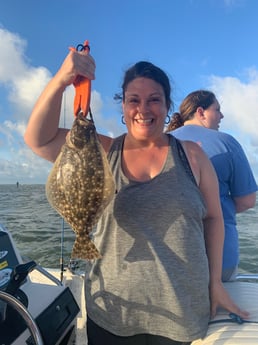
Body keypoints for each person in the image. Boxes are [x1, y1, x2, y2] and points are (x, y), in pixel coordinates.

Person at [24, 50, 249, 345]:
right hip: (112, 312)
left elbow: (214, 218)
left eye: (154, 99)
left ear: (168, 105)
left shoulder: (192, 155)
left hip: (181, 311)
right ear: (124, 104)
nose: (143, 109)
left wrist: (216, 282)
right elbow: (38, 140)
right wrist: (61, 81)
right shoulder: (102, 150)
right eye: (134, 100)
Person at [167, 90, 257, 282]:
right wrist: (216, 206)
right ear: (201, 112)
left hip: (170, 257)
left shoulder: (161, 142)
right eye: (217, 110)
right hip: (221, 258)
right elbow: (248, 201)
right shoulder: (227, 143)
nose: (221, 116)